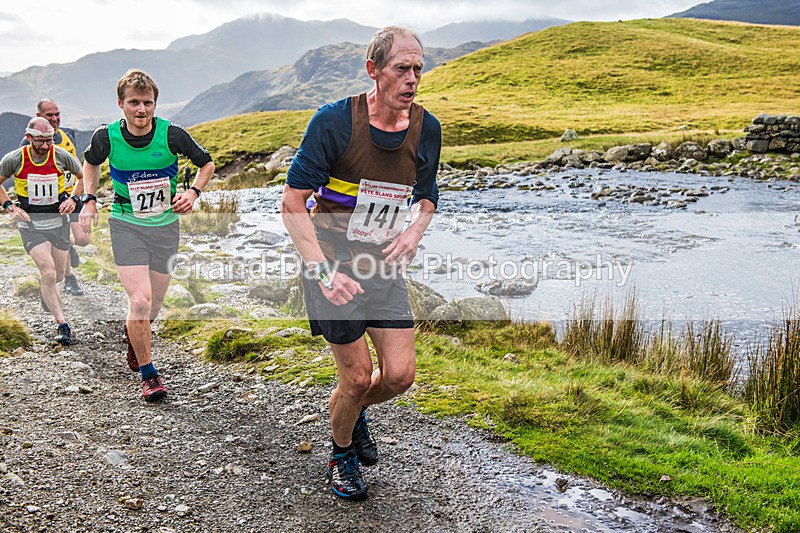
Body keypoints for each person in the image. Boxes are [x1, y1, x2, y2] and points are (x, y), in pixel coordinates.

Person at [281, 26, 440, 501]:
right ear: (373, 70)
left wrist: (413, 231)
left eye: (418, 69)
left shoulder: (426, 128)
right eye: (401, 69)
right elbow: (293, 203)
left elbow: (427, 197)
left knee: (399, 376)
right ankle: (341, 453)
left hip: (384, 267)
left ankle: (350, 410)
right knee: (353, 376)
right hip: (333, 267)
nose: (412, 79)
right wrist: (321, 270)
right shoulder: (333, 122)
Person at [80, 69, 214, 402]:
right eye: (134, 103)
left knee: (152, 305)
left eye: (148, 103)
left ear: (155, 103)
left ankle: (135, 337)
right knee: (138, 301)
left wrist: (193, 193)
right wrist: (90, 199)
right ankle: (149, 374)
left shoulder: (172, 134)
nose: (142, 110)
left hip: (165, 227)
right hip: (126, 224)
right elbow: (90, 163)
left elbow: (207, 164)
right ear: (121, 104)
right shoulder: (106, 136)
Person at [0, 117, 85, 344]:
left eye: (49, 140)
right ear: (29, 138)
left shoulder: (60, 155)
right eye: (40, 141)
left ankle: (45, 289)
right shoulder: (16, 159)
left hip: (58, 224)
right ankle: (62, 325)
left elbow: (82, 177)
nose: (46, 146)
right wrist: (10, 206)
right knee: (48, 273)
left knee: (56, 275)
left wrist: (74, 199)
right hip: (31, 225)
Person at [20, 98, 90, 296]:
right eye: (49, 115)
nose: (55, 118)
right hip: (52, 201)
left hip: (72, 195)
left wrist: (79, 193)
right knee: (62, 241)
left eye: (57, 114)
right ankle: (69, 278)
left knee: (83, 239)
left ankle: (68, 244)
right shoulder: (29, 142)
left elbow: (76, 165)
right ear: (38, 117)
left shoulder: (68, 136)